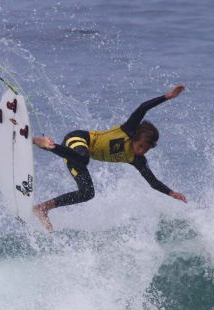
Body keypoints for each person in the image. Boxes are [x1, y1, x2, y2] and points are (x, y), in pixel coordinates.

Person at [31, 84, 188, 232]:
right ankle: (47, 145)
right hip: (78, 140)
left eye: (146, 150)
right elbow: (143, 108)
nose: (142, 152)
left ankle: (43, 208)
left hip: (72, 156)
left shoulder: (137, 160)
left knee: (87, 193)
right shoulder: (127, 131)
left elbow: (152, 182)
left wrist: (170, 192)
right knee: (84, 157)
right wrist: (167, 96)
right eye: (141, 146)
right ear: (134, 138)